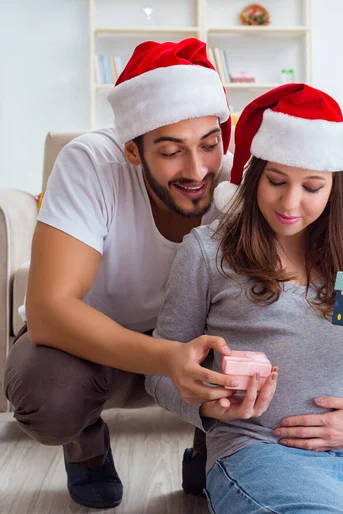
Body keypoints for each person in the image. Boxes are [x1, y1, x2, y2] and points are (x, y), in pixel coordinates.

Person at [146, 83, 343, 513]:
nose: (290, 202)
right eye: (276, 181)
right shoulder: (208, 252)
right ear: (253, 176)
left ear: (333, 189)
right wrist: (211, 411)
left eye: (312, 187)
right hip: (259, 456)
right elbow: (159, 371)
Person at [2, 38, 241, 509]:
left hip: (196, 343)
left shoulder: (236, 178)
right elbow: (50, 313)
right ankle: (86, 447)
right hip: (89, 350)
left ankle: (213, 448)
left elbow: (332, 257)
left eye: (209, 145)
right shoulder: (92, 162)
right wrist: (167, 357)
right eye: (172, 151)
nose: (197, 170)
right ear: (133, 151)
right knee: (46, 394)